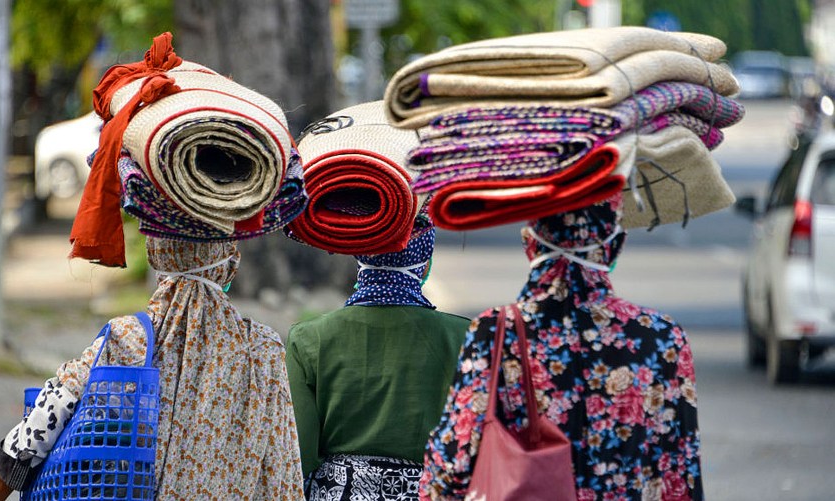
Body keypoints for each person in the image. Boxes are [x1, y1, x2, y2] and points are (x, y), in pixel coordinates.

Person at [420, 193, 702, 500]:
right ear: (615, 245)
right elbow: (681, 469)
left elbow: (455, 459)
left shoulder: (496, 330)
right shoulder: (662, 336)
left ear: (530, 243)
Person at [0, 237, 305, 500]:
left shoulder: (130, 337)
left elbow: (39, 427)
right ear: (229, 264)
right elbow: (283, 469)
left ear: (158, 255)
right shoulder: (262, 348)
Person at [286, 217, 470, 500]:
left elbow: (299, 454)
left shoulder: (308, 338)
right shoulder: (465, 336)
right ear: (425, 262)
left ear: (359, 254)